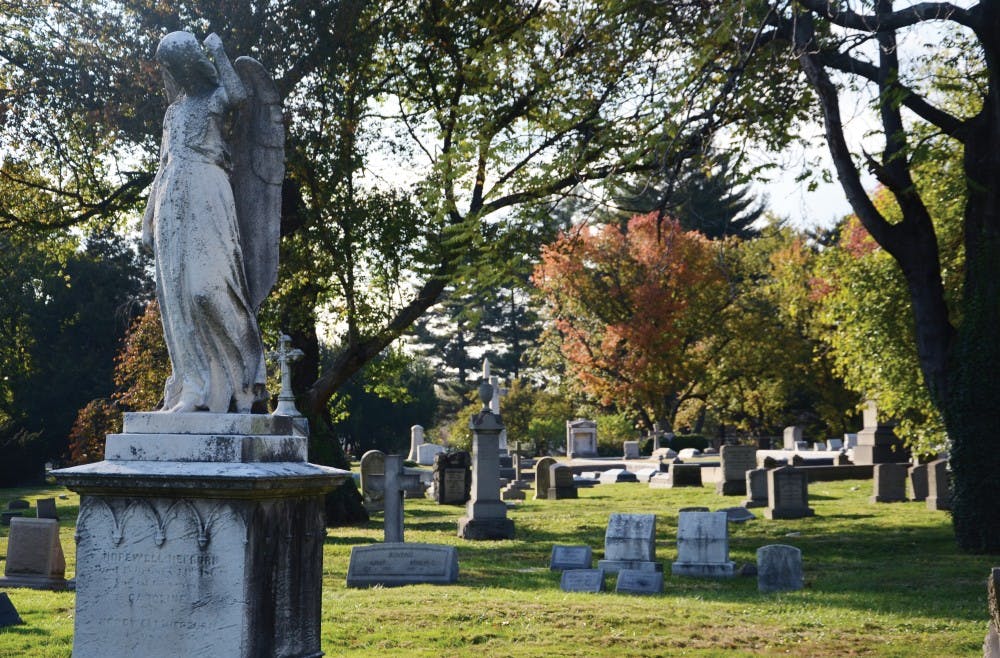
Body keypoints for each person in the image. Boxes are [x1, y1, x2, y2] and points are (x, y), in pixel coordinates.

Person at [142, 31, 266, 413]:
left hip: (207, 190)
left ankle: (242, 380)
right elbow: (162, 166)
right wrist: (147, 218)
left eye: (177, 65)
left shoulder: (215, 97)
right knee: (174, 296)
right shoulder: (173, 112)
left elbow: (239, 96)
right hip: (170, 197)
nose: (175, 74)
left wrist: (220, 52)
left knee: (206, 289)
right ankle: (193, 387)